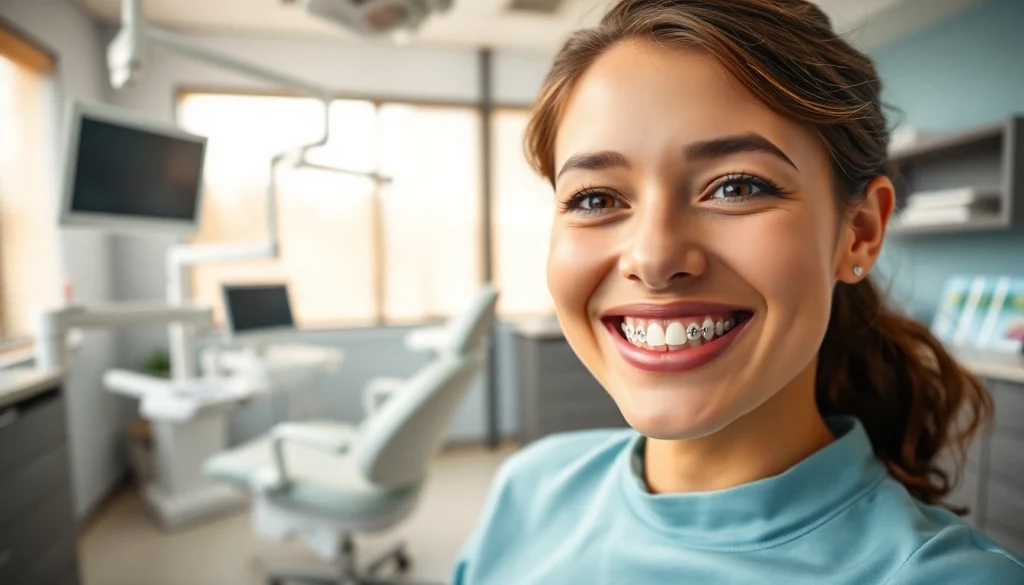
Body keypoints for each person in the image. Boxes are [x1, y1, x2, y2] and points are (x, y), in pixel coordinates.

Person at [452, 1, 1024, 583]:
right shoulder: (527, 492)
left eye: (736, 188)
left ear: (860, 232)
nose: (653, 259)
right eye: (595, 198)